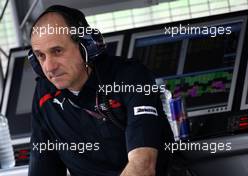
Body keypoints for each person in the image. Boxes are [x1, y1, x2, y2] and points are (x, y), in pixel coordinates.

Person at [28, 5, 174, 176]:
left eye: (57, 51)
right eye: (41, 56)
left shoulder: (130, 77)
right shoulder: (44, 94)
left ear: (87, 46)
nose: (49, 67)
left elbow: (142, 166)